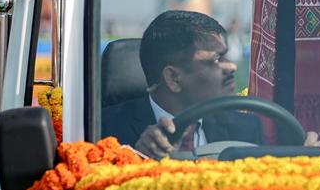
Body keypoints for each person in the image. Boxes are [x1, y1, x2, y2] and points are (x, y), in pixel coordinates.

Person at [103, 10, 261, 159]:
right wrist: (138, 158)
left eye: (225, 57)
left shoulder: (245, 129)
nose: (231, 67)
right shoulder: (104, 131)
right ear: (173, 78)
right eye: (216, 60)